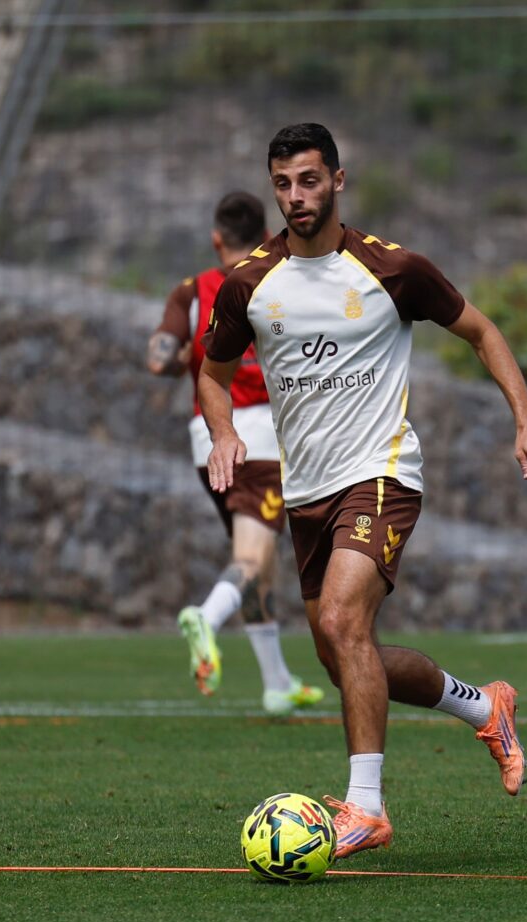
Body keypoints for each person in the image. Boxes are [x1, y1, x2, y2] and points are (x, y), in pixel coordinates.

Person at [198, 125, 527, 859]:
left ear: (338, 179)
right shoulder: (250, 282)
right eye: (283, 184)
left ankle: (366, 809)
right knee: (341, 655)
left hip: (382, 472)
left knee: (341, 620)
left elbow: (482, 332)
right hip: (307, 494)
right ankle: (486, 707)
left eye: (308, 180)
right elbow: (210, 372)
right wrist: (224, 432)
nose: (296, 197)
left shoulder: (391, 268)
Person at [147, 190, 323, 717]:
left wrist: (178, 356)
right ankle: (206, 616)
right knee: (251, 558)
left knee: (260, 563)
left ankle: (276, 682)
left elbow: (159, 357)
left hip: (207, 437)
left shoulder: (191, 290)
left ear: (216, 239)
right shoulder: (279, 278)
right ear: (265, 232)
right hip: (261, 441)